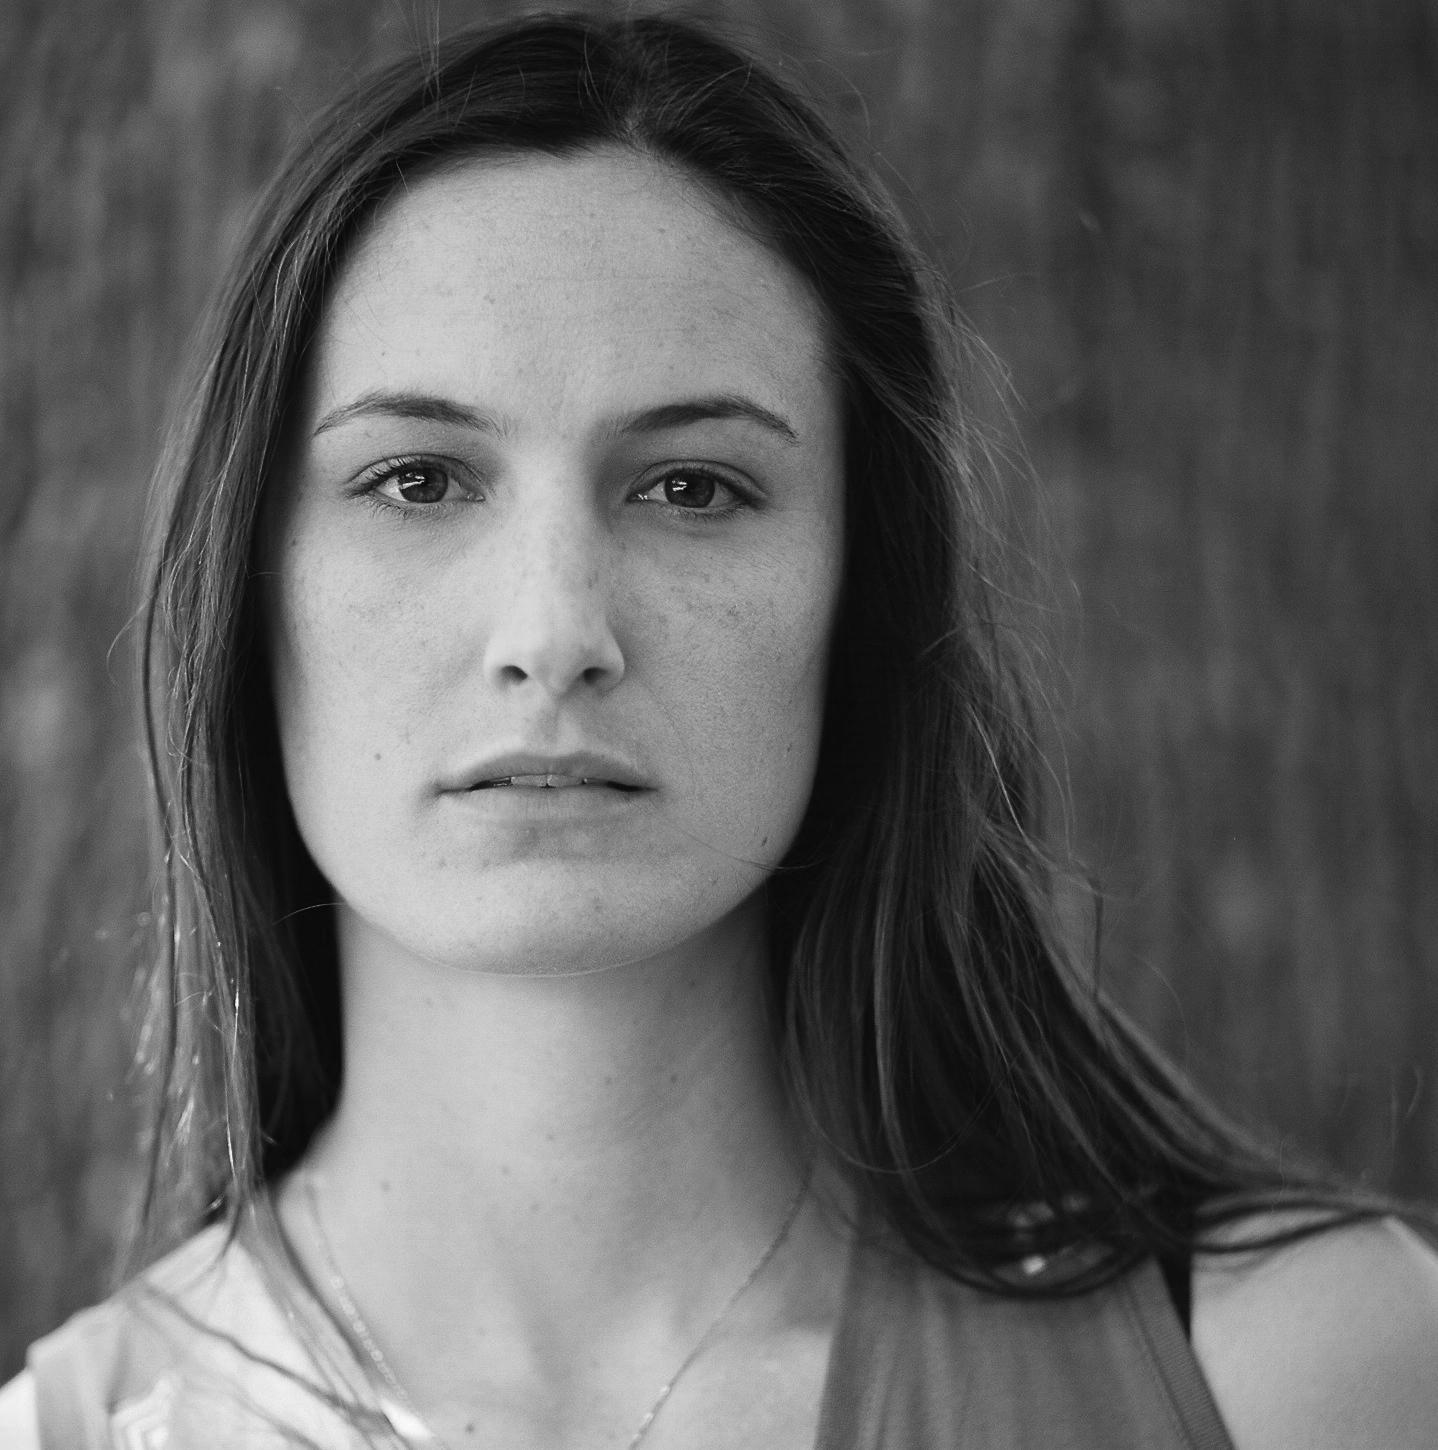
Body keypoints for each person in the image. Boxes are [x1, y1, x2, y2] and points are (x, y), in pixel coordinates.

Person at [3, 10, 1436, 1448]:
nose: (554, 632)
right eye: (419, 480)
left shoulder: (1297, 1378)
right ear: (249, 588)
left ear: (856, 592)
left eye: (691, 488)